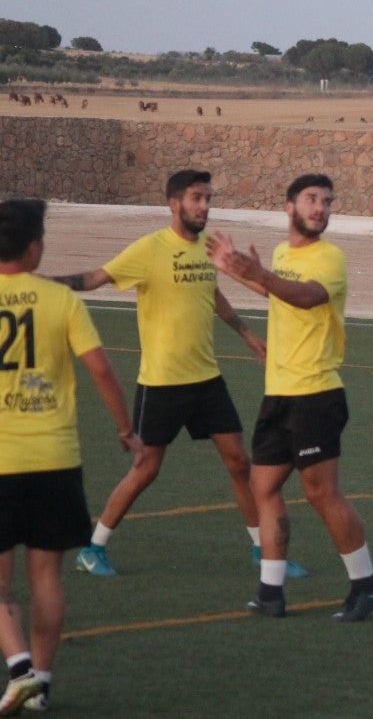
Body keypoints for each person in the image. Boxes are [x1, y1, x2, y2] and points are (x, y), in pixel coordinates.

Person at [52, 169, 307, 580]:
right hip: (162, 384)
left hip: (207, 381)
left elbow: (212, 293)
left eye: (208, 198)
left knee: (239, 462)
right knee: (146, 469)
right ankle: (93, 547)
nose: (204, 206)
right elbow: (93, 278)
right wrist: (39, 282)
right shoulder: (148, 249)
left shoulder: (207, 248)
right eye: (196, 198)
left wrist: (246, 334)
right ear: (174, 204)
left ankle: (264, 551)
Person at [206, 173, 373, 621]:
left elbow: (306, 297)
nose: (320, 208)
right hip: (279, 393)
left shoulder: (331, 258)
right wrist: (240, 272)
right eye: (311, 199)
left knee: (320, 493)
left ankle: (367, 584)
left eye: (327, 201)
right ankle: (271, 592)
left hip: (316, 394)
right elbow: (276, 291)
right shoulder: (283, 254)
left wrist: (260, 273)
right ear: (289, 206)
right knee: (263, 487)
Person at [0, 199, 141, 715]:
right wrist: (125, 429)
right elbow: (101, 369)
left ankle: (19, 670)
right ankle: (40, 683)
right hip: (55, 458)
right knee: (47, 578)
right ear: (34, 246)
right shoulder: (61, 300)